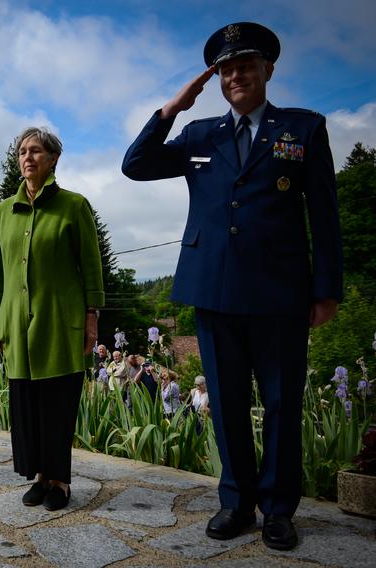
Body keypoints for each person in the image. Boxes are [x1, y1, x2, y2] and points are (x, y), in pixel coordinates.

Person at [121, 22, 342, 550]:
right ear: (215, 78)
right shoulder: (200, 134)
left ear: (268, 69)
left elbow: (326, 217)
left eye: (245, 65)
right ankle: (236, 501)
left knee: (283, 403)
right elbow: (135, 165)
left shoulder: (303, 129)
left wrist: (326, 288)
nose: (235, 75)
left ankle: (279, 510)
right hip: (213, 290)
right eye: (225, 69)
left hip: (280, 292)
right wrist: (173, 108)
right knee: (225, 403)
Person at [0, 127, 104, 511]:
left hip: (60, 322)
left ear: (53, 158)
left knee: (57, 403)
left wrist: (91, 316)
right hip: (15, 324)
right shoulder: (3, 211)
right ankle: (39, 475)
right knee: (26, 405)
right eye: (22, 151)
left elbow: (91, 265)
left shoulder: (74, 205)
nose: (28, 158)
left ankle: (60, 480)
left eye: (36, 151)